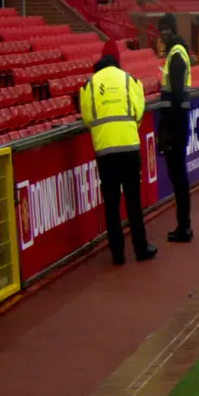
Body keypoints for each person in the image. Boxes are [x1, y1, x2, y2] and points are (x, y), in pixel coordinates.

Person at [77, 47, 150, 267]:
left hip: (106, 151)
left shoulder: (88, 86)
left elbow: (88, 118)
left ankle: (118, 254)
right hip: (129, 146)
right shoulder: (130, 80)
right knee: (133, 201)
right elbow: (139, 110)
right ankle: (141, 248)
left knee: (111, 204)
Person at [154, 34, 196, 243]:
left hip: (175, 125)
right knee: (179, 176)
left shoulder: (176, 56)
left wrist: (168, 130)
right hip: (178, 124)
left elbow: (177, 95)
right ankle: (184, 224)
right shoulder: (179, 54)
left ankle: (184, 226)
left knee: (178, 177)